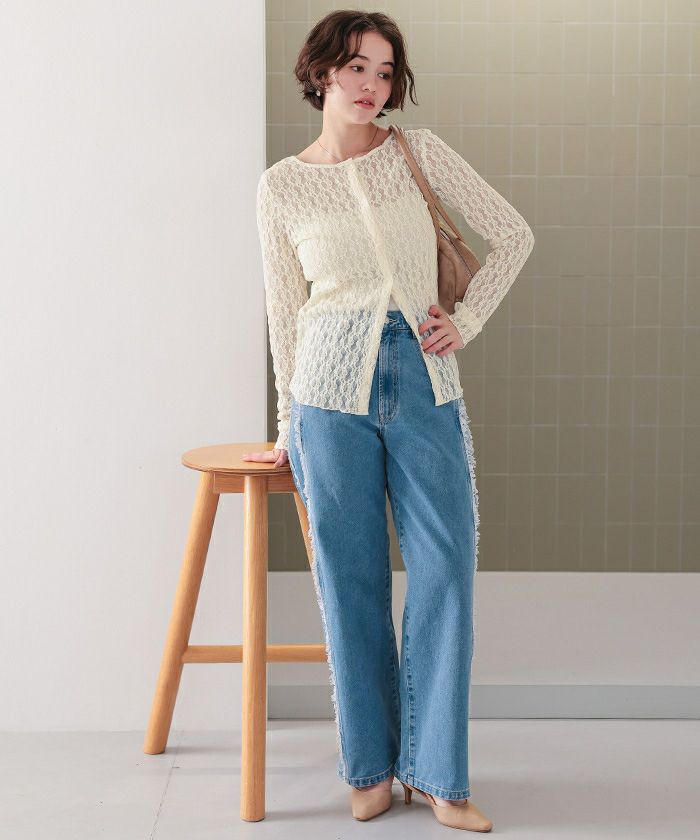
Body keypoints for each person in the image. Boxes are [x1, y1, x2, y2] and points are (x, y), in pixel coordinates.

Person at [245, 9, 534, 832]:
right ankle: (370, 768)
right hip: (324, 392)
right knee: (351, 580)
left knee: (445, 571)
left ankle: (439, 775)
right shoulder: (281, 186)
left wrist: (464, 323)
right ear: (321, 73)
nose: (372, 85)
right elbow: (284, 313)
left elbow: (514, 236)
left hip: (423, 375)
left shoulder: (419, 152)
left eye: (384, 71)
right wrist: (286, 425)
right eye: (356, 68)